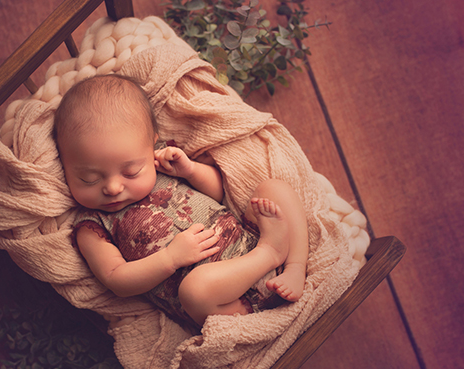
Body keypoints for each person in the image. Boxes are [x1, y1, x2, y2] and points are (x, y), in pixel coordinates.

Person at [54, 74, 308, 327]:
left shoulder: (164, 164)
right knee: (195, 290)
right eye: (88, 179)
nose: (112, 187)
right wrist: (170, 259)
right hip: (227, 303)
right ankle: (271, 253)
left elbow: (220, 194)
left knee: (273, 189)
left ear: (151, 143)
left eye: (131, 172)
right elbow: (116, 280)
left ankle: (295, 266)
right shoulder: (91, 226)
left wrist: (191, 171)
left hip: (249, 241)